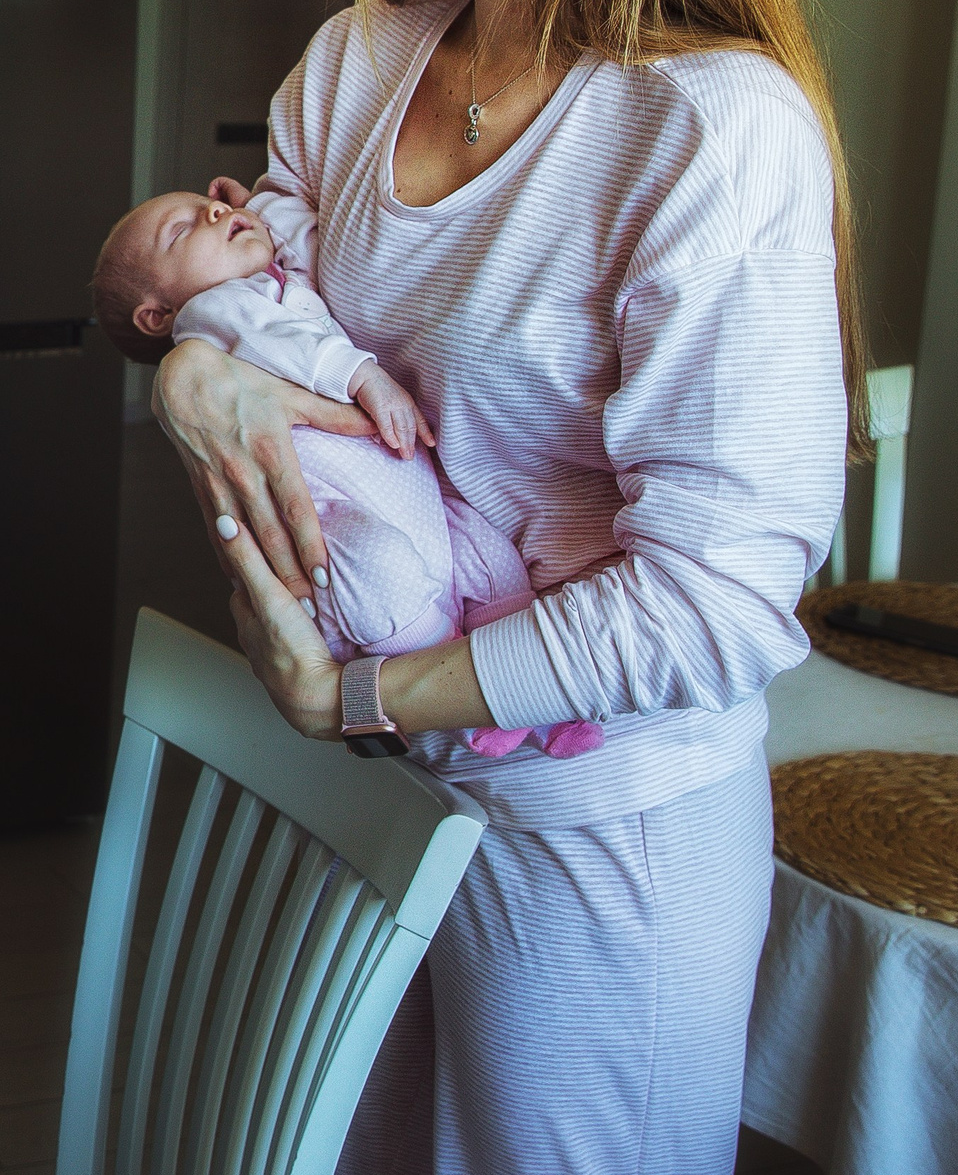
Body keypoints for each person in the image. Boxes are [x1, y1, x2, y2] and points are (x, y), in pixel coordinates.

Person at [146, 0, 860, 1175]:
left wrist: (365, 695)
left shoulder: (706, 131)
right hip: (378, 800)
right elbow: (250, 314)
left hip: (598, 838)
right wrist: (191, 365)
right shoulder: (357, 63)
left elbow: (720, 599)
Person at [91, 178, 597, 760]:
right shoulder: (212, 316)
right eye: (181, 230)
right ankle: (462, 710)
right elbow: (287, 344)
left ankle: (542, 715)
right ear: (158, 316)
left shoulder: (277, 283)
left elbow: (308, 243)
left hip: (412, 499)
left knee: (488, 557)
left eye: (215, 206)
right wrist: (364, 377)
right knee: (384, 575)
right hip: (339, 522)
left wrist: (256, 208)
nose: (212, 211)